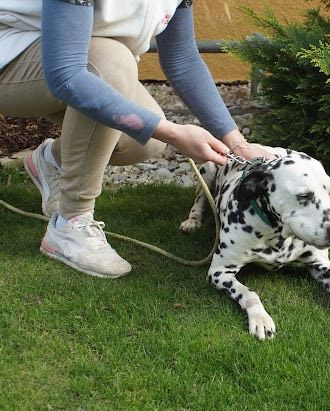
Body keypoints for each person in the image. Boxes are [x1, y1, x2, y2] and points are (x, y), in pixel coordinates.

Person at [0, 0, 273, 278]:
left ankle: (51, 162)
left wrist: (236, 142)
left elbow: (182, 59)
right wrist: (175, 133)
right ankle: (71, 224)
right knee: (112, 64)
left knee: (144, 142)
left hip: (84, 59)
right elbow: (65, 75)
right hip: (11, 57)